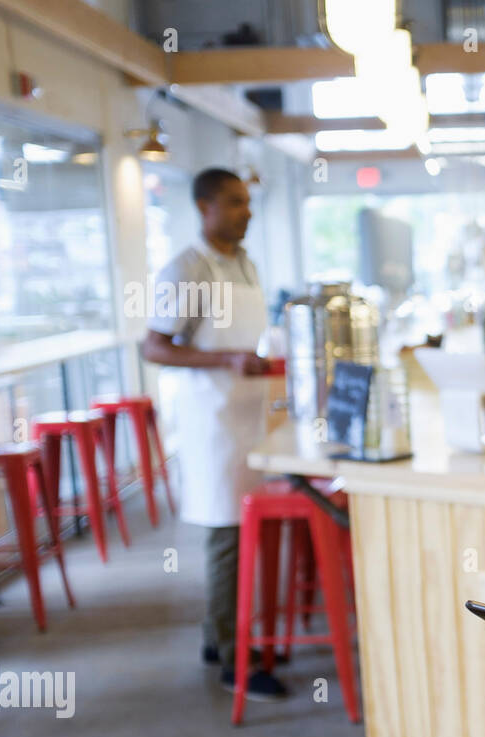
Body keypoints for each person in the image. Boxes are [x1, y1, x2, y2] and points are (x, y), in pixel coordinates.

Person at [141, 167, 287, 701]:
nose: (245, 211)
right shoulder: (187, 268)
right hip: (214, 423)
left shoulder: (244, 263)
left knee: (245, 534)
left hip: (252, 416)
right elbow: (153, 346)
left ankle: (215, 636)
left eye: (247, 201)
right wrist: (224, 358)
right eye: (233, 203)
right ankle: (234, 660)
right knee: (228, 536)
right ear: (204, 207)